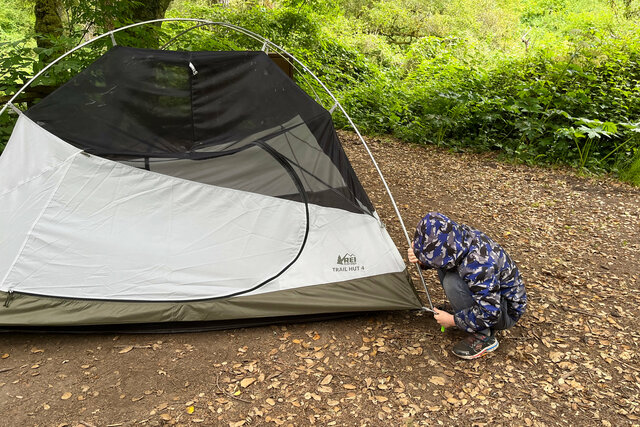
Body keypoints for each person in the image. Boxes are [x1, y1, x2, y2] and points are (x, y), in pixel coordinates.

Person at [407, 212, 527, 359]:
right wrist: (421, 259)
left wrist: (452, 321)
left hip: (505, 311)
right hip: (492, 297)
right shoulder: (457, 238)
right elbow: (444, 259)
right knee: (445, 272)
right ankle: (467, 312)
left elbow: (491, 312)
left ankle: (484, 336)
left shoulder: (479, 264)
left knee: (452, 283)